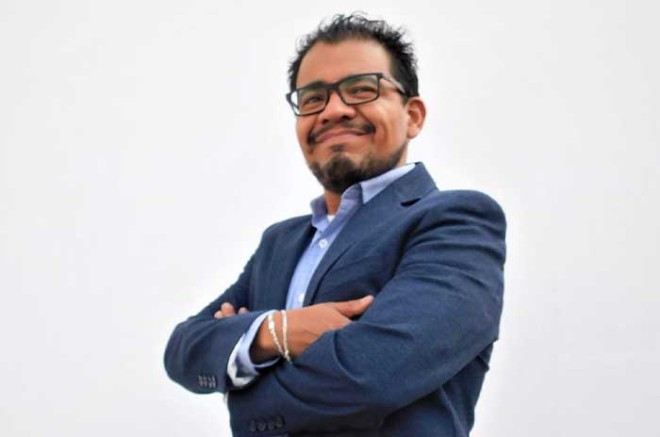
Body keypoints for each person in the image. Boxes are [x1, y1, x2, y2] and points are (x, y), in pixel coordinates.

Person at [164, 13, 506, 436]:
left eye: (361, 89)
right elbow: (184, 350)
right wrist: (277, 331)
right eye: (313, 99)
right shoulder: (280, 243)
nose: (333, 110)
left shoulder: (456, 222)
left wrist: (243, 389)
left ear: (413, 116)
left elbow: (371, 374)